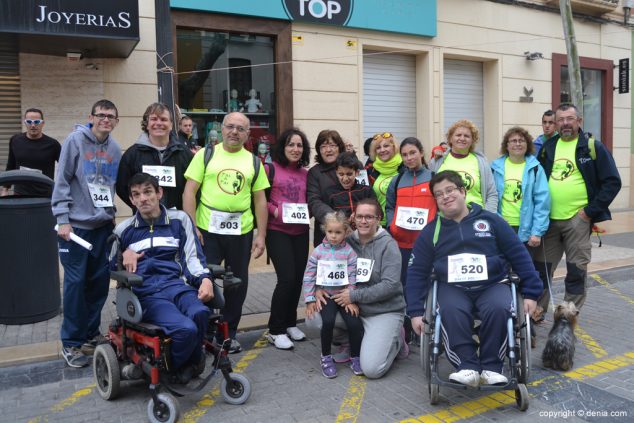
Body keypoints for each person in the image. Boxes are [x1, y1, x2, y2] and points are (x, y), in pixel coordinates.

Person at [406, 170, 542, 387]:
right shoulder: (431, 231)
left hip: (492, 284)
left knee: (499, 307)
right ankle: (466, 365)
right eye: (439, 194)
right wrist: (414, 312)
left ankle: (491, 366)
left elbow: (519, 255)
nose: (445, 196)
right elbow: (416, 272)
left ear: (462, 191)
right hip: (453, 287)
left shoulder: (492, 221)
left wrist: (532, 293)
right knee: (450, 310)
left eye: (450, 190)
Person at [111, 173, 214, 382]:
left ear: (159, 193)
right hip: (148, 293)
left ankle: (189, 363)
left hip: (177, 286)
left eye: (148, 192)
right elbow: (109, 265)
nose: (143, 199)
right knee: (185, 329)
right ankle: (176, 368)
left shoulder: (179, 220)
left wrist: (204, 279)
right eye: (136, 195)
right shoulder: (123, 230)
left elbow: (191, 257)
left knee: (201, 313)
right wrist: (123, 254)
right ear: (131, 200)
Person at [183, 112, 269, 354]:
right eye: (230, 127)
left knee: (237, 284)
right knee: (204, 279)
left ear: (247, 134)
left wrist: (261, 235)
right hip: (207, 231)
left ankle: (228, 332)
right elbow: (189, 192)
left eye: (240, 129)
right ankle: (206, 330)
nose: (234, 132)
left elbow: (260, 201)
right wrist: (192, 227)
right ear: (221, 129)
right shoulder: (205, 155)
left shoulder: (253, 161)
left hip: (241, 232)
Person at [52, 99, 122, 368]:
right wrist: (63, 220)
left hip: (102, 228)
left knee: (98, 285)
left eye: (111, 116)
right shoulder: (74, 141)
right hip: (75, 228)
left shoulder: (115, 148)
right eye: (101, 115)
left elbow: (108, 185)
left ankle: (90, 334)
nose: (106, 119)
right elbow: (62, 181)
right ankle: (71, 343)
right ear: (91, 117)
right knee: (75, 285)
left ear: (116, 121)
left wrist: (111, 214)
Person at [536, 103, 621, 315]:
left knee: (576, 271)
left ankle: (566, 317)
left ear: (579, 121)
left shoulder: (592, 147)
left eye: (569, 119)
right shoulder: (548, 147)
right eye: (561, 120)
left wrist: (589, 212)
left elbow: (612, 182)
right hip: (548, 221)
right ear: (555, 123)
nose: (565, 123)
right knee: (541, 270)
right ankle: (536, 313)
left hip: (578, 220)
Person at [330, 198, 408, 379]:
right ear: (353, 218)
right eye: (359, 217)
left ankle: (397, 340)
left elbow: (390, 285)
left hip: (383, 310)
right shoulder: (346, 241)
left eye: (369, 217)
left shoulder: (389, 245)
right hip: (354, 309)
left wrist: (354, 296)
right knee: (316, 318)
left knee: (372, 370)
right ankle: (356, 340)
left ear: (378, 219)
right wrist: (318, 291)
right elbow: (328, 267)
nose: (363, 221)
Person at [265, 128, 311, 350]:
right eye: (291, 145)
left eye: (299, 145)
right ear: (283, 147)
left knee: (297, 279)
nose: (295, 149)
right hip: (277, 231)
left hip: (301, 232)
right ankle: (275, 330)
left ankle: (290, 323)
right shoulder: (270, 169)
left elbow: (310, 200)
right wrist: (275, 211)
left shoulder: (306, 173)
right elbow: (259, 200)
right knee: (286, 278)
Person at [303, 211, 363, 378]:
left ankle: (355, 356)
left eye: (338, 232)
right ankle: (326, 357)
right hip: (327, 295)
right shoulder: (318, 252)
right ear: (325, 231)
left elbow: (353, 276)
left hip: (343, 295)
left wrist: (351, 297)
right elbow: (309, 275)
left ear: (345, 232)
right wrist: (310, 299)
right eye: (330, 232)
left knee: (354, 322)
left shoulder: (349, 252)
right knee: (327, 322)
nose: (334, 236)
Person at [116, 103, 193, 212]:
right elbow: (122, 188)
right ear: (147, 124)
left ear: (171, 125)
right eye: (154, 119)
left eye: (163, 119)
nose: (158, 123)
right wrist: (142, 207)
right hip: (144, 221)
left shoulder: (184, 153)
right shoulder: (132, 155)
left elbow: (192, 189)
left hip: (176, 220)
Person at [385, 137, 437, 289]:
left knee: (425, 283)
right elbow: (389, 206)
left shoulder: (434, 177)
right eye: (405, 155)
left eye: (412, 153)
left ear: (421, 153)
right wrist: (392, 226)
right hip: (401, 244)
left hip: (426, 243)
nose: (409, 158)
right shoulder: (397, 180)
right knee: (404, 284)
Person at [491, 127, 550, 247]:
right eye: (513, 141)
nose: (517, 144)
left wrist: (537, 232)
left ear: (527, 144)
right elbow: (489, 197)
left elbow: (542, 202)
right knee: (501, 265)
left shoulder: (535, 168)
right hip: (501, 227)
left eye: (521, 140)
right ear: (506, 145)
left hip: (526, 231)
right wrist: (496, 221)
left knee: (524, 265)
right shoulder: (494, 168)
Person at [430, 120, 497, 212]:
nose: (462, 138)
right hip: (446, 217)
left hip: (476, 216)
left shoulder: (481, 162)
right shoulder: (438, 161)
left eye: (467, 136)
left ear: (472, 140)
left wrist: (488, 216)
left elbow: (491, 194)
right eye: (458, 135)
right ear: (450, 139)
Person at [2, 108, 61, 197]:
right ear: (25, 123)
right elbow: (11, 164)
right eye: (29, 121)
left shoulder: (53, 144)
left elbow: (65, 168)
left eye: (37, 122)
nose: (33, 125)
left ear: (42, 123)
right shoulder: (15, 140)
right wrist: (5, 190)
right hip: (20, 194)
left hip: (44, 196)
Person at [307, 129, 346, 247]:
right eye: (323, 146)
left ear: (339, 148)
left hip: (353, 229)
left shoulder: (353, 167)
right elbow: (314, 201)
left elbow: (362, 193)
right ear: (319, 150)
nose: (328, 150)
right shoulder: (314, 173)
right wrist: (335, 219)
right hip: (326, 232)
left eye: (332, 145)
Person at [366, 132, 404, 227]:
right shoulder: (370, 170)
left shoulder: (404, 167)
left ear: (394, 147)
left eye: (386, 146)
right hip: (378, 224)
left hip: (400, 222)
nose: (382, 150)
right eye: (378, 148)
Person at [324, 152, 376, 220]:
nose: (345, 179)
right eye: (341, 174)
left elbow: (378, 212)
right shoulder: (330, 193)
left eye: (349, 174)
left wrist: (361, 215)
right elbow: (326, 219)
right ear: (336, 173)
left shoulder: (366, 190)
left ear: (357, 173)